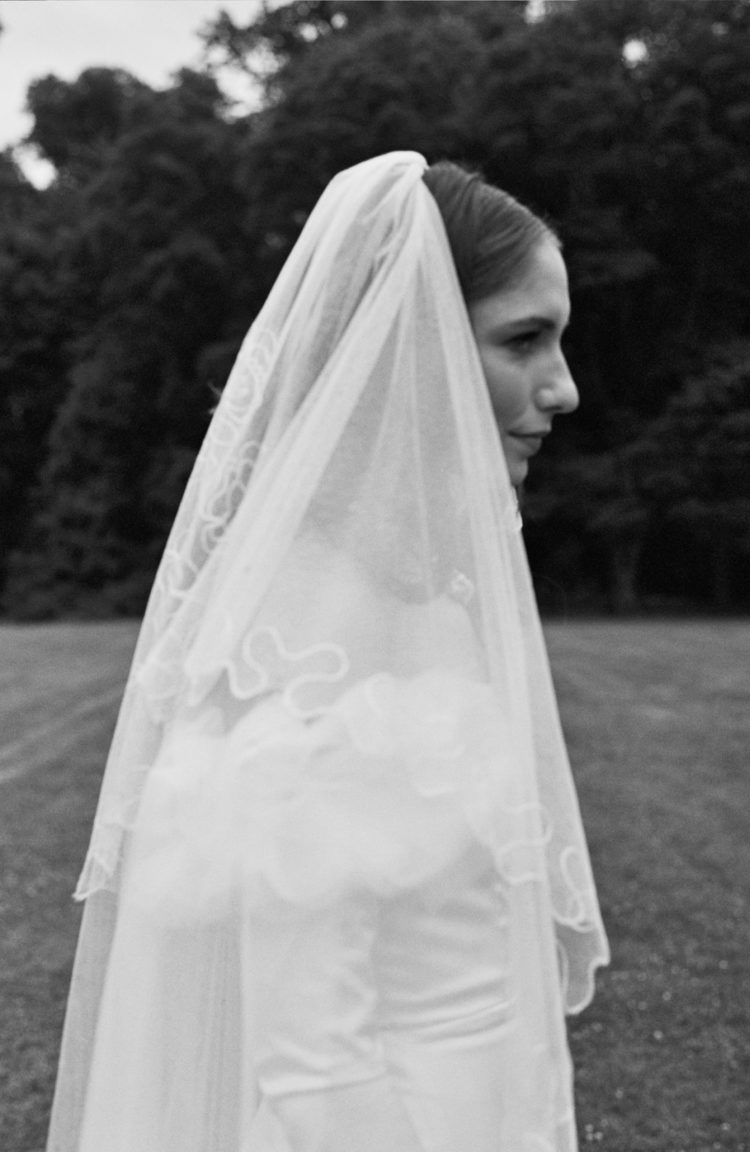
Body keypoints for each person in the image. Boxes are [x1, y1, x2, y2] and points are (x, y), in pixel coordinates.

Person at [46, 152, 609, 1152]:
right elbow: (316, 1068)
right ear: (411, 346)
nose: (563, 389)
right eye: (524, 340)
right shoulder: (314, 640)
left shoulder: (428, 597)